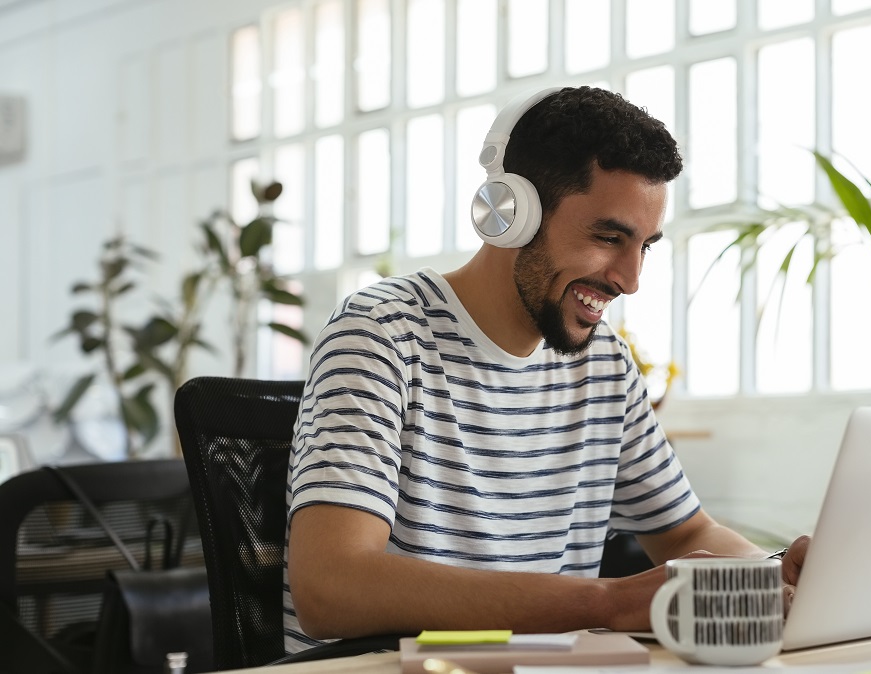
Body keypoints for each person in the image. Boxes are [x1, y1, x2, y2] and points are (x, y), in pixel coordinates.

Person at [283, 86, 811, 653]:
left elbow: (686, 532)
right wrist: (609, 603)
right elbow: (330, 587)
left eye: (645, 246)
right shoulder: (382, 334)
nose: (630, 279)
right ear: (509, 214)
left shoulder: (602, 361)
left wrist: (773, 574)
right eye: (609, 237)